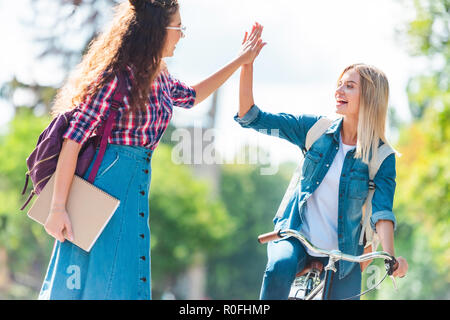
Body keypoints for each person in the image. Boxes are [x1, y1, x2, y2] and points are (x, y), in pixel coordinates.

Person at [39, 0, 263, 300]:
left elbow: (193, 96)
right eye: (178, 27)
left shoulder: (160, 74)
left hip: (135, 186)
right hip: (106, 184)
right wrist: (57, 209)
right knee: (95, 274)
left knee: (124, 275)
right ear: (157, 31)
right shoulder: (118, 75)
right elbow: (73, 140)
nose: (182, 34)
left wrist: (240, 60)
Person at [234, 23, 408, 300]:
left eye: (349, 86)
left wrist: (390, 255)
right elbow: (251, 116)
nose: (339, 90)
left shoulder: (382, 156)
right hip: (296, 235)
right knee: (278, 268)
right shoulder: (316, 131)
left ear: (370, 97)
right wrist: (247, 64)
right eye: (339, 84)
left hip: (343, 253)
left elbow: (382, 212)